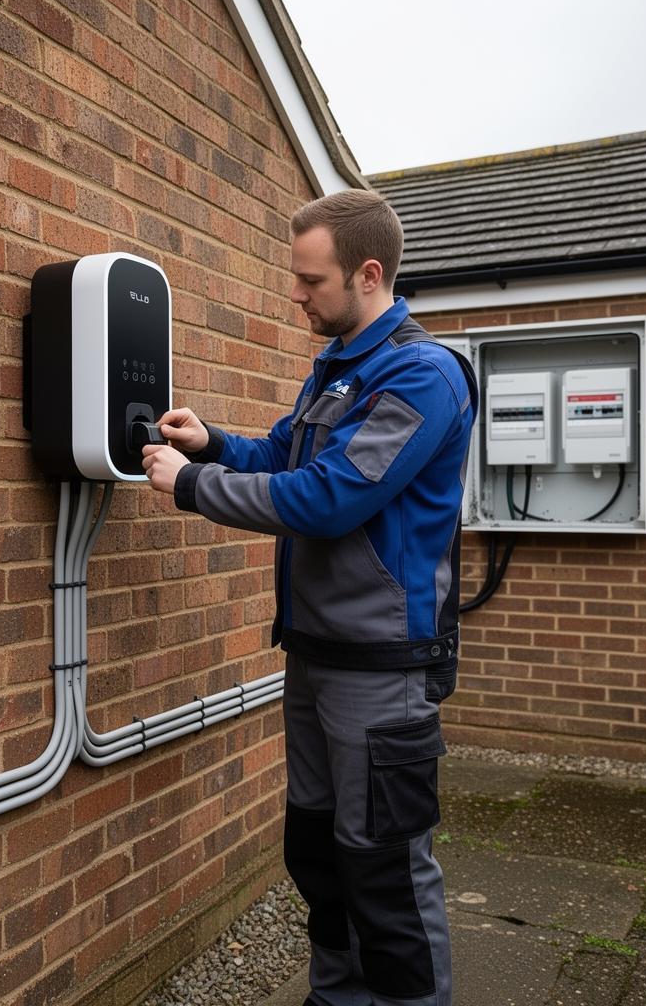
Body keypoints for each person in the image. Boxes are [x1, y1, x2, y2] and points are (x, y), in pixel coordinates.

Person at [142, 188, 477, 1006]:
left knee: (384, 868)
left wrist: (192, 487)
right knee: (319, 855)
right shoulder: (340, 369)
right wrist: (214, 444)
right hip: (318, 658)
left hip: (380, 672)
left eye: (311, 280)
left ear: (368, 275)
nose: (296, 294)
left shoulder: (424, 377)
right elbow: (286, 457)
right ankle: (337, 995)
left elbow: (329, 498)